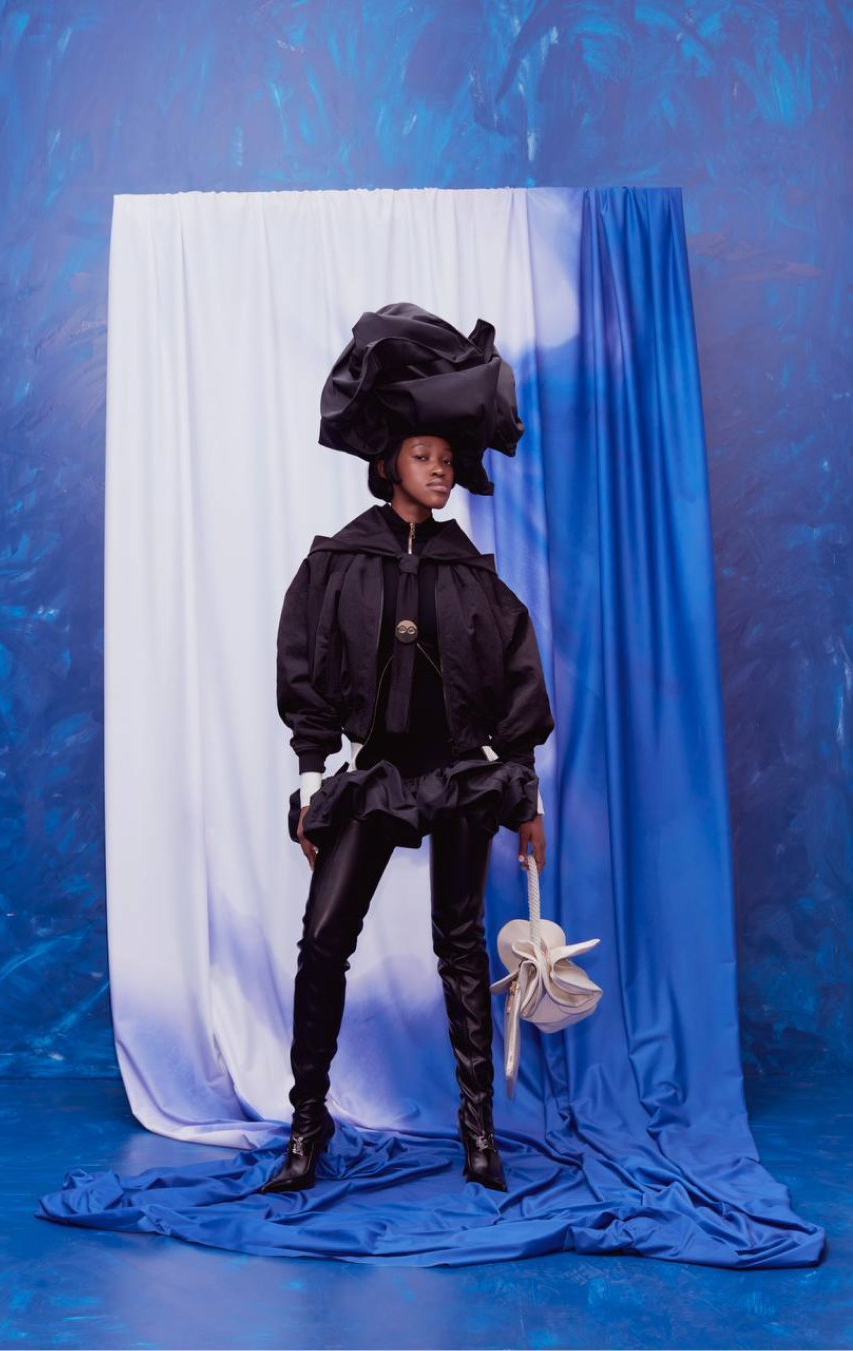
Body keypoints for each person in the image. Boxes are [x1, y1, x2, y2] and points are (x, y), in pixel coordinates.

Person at [260, 303, 555, 1196]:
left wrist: (528, 800)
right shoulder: (339, 563)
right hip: (378, 776)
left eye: (448, 460)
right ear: (391, 462)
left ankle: (479, 1133)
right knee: (322, 940)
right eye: (424, 457)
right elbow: (308, 672)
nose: (440, 471)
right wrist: (310, 782)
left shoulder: (476, 577)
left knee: (459, 947)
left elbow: (514, 689)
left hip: (460, 776)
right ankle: (306, 1127)